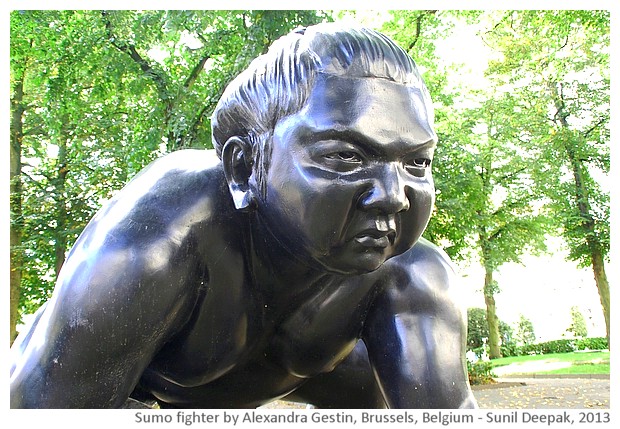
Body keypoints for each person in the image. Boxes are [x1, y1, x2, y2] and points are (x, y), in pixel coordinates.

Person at [10, 23, 477, 409]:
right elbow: (42, 406)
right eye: (344, 157)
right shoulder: (162, 234)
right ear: (244, 166)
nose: (394, 196)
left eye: (416, 163)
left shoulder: (410, 276)